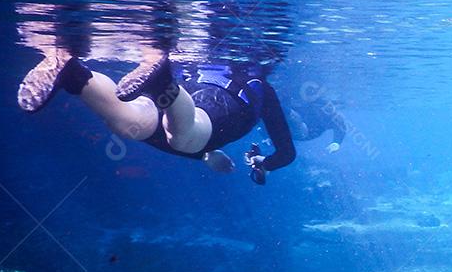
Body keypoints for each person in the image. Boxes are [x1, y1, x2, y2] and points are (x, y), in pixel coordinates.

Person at [17, 51, 295, 184]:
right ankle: (164, 84)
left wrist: (206, 157)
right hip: (220, 105)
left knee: (130, 124)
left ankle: (71, 70)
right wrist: (264, 164)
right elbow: (287, 153)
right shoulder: (263, 88)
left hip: (187, 90)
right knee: (185, 137)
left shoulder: (202, 61)